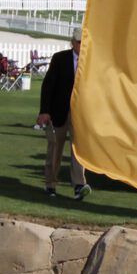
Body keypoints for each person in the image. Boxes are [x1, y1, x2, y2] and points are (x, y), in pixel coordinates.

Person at [37, 26, 91, 200]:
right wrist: (45, 111)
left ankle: (79, 185)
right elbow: (48, 86)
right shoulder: (60, 59)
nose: (81, 45)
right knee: (55, 149)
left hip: (80, 114)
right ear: (72, 42)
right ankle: (51, 184)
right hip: (58, 112)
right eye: (78, 42)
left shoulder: (91, 61)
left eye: (83, 42)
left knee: (78, 152)